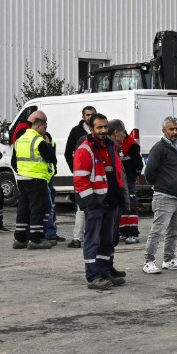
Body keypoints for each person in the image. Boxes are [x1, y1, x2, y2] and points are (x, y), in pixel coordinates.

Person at [73, 113, 127, 290]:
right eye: (99, 127)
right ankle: (92, 276)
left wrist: (119, 197)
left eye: (105, 127)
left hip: (110, 201)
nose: (103, 130)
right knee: (93, 241)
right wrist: (92, 202)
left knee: (107, 240)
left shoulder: (110, 146)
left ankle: (105, 272)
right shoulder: (85, 149)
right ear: (91, 129)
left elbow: (116, 173)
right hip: (96, 203)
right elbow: (80, 179)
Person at [142, 116, 177, 274]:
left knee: (174, 232)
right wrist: (159, 184)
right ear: (164, 131)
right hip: (164, 197)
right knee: (157, 231)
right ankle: (148, 261)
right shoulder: (159, 148)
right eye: (171, 129)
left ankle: (169, 259)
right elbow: (149, 172)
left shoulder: (176, 147)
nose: (175, 132)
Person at [11, 114, 57, 250]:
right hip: (37, 179)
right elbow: (51, 158)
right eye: (44, 127)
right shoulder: (38, 140)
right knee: (38, 209)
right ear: (37, 126)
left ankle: (20, 238)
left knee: (23, 209)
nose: (45, 130)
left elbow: (14, 161)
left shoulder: (20, 140)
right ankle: (36, 239)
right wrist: (48, 144)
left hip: (22, 178)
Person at [65, 105, 96, 249]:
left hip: (97, 175)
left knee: (95, 206)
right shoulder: (76, 132)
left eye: (92, 114)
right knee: (81, 207)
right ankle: (77, 237)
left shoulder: (99, 130)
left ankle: (92, 235)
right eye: (87, 115)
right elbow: (67, 152)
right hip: (82, 175)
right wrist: (75, 170)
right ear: (83, 117)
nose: (90, 117)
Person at [111, 121, 143, 244]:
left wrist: (133, 175)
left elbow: (138, 165)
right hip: (120, 180)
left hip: (128, 180)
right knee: (122, 206)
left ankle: (133, 233)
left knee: (132, 205)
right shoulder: (116, 144)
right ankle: (124, 231)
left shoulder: (131, 145)